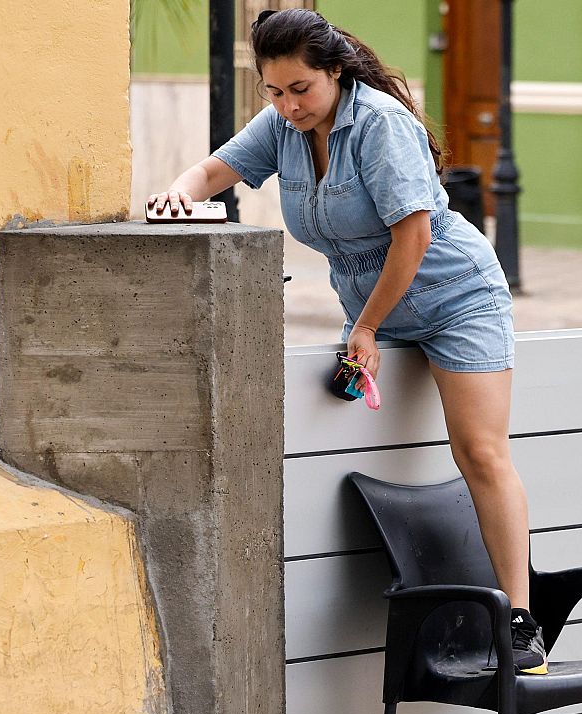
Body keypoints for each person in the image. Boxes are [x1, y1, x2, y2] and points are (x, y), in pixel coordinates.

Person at [147, 8, 547, 674]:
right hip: (375, 313)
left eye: (300, 88)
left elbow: (412, 237)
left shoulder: (381, 126)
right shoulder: (283, 126)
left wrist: (365, 328)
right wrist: (175, 197)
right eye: (273, 91)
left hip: (453, 299)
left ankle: (520, 620)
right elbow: (211, 173)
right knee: (327, 415)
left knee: (479, 449)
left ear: (334, 71)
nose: (287, 105)